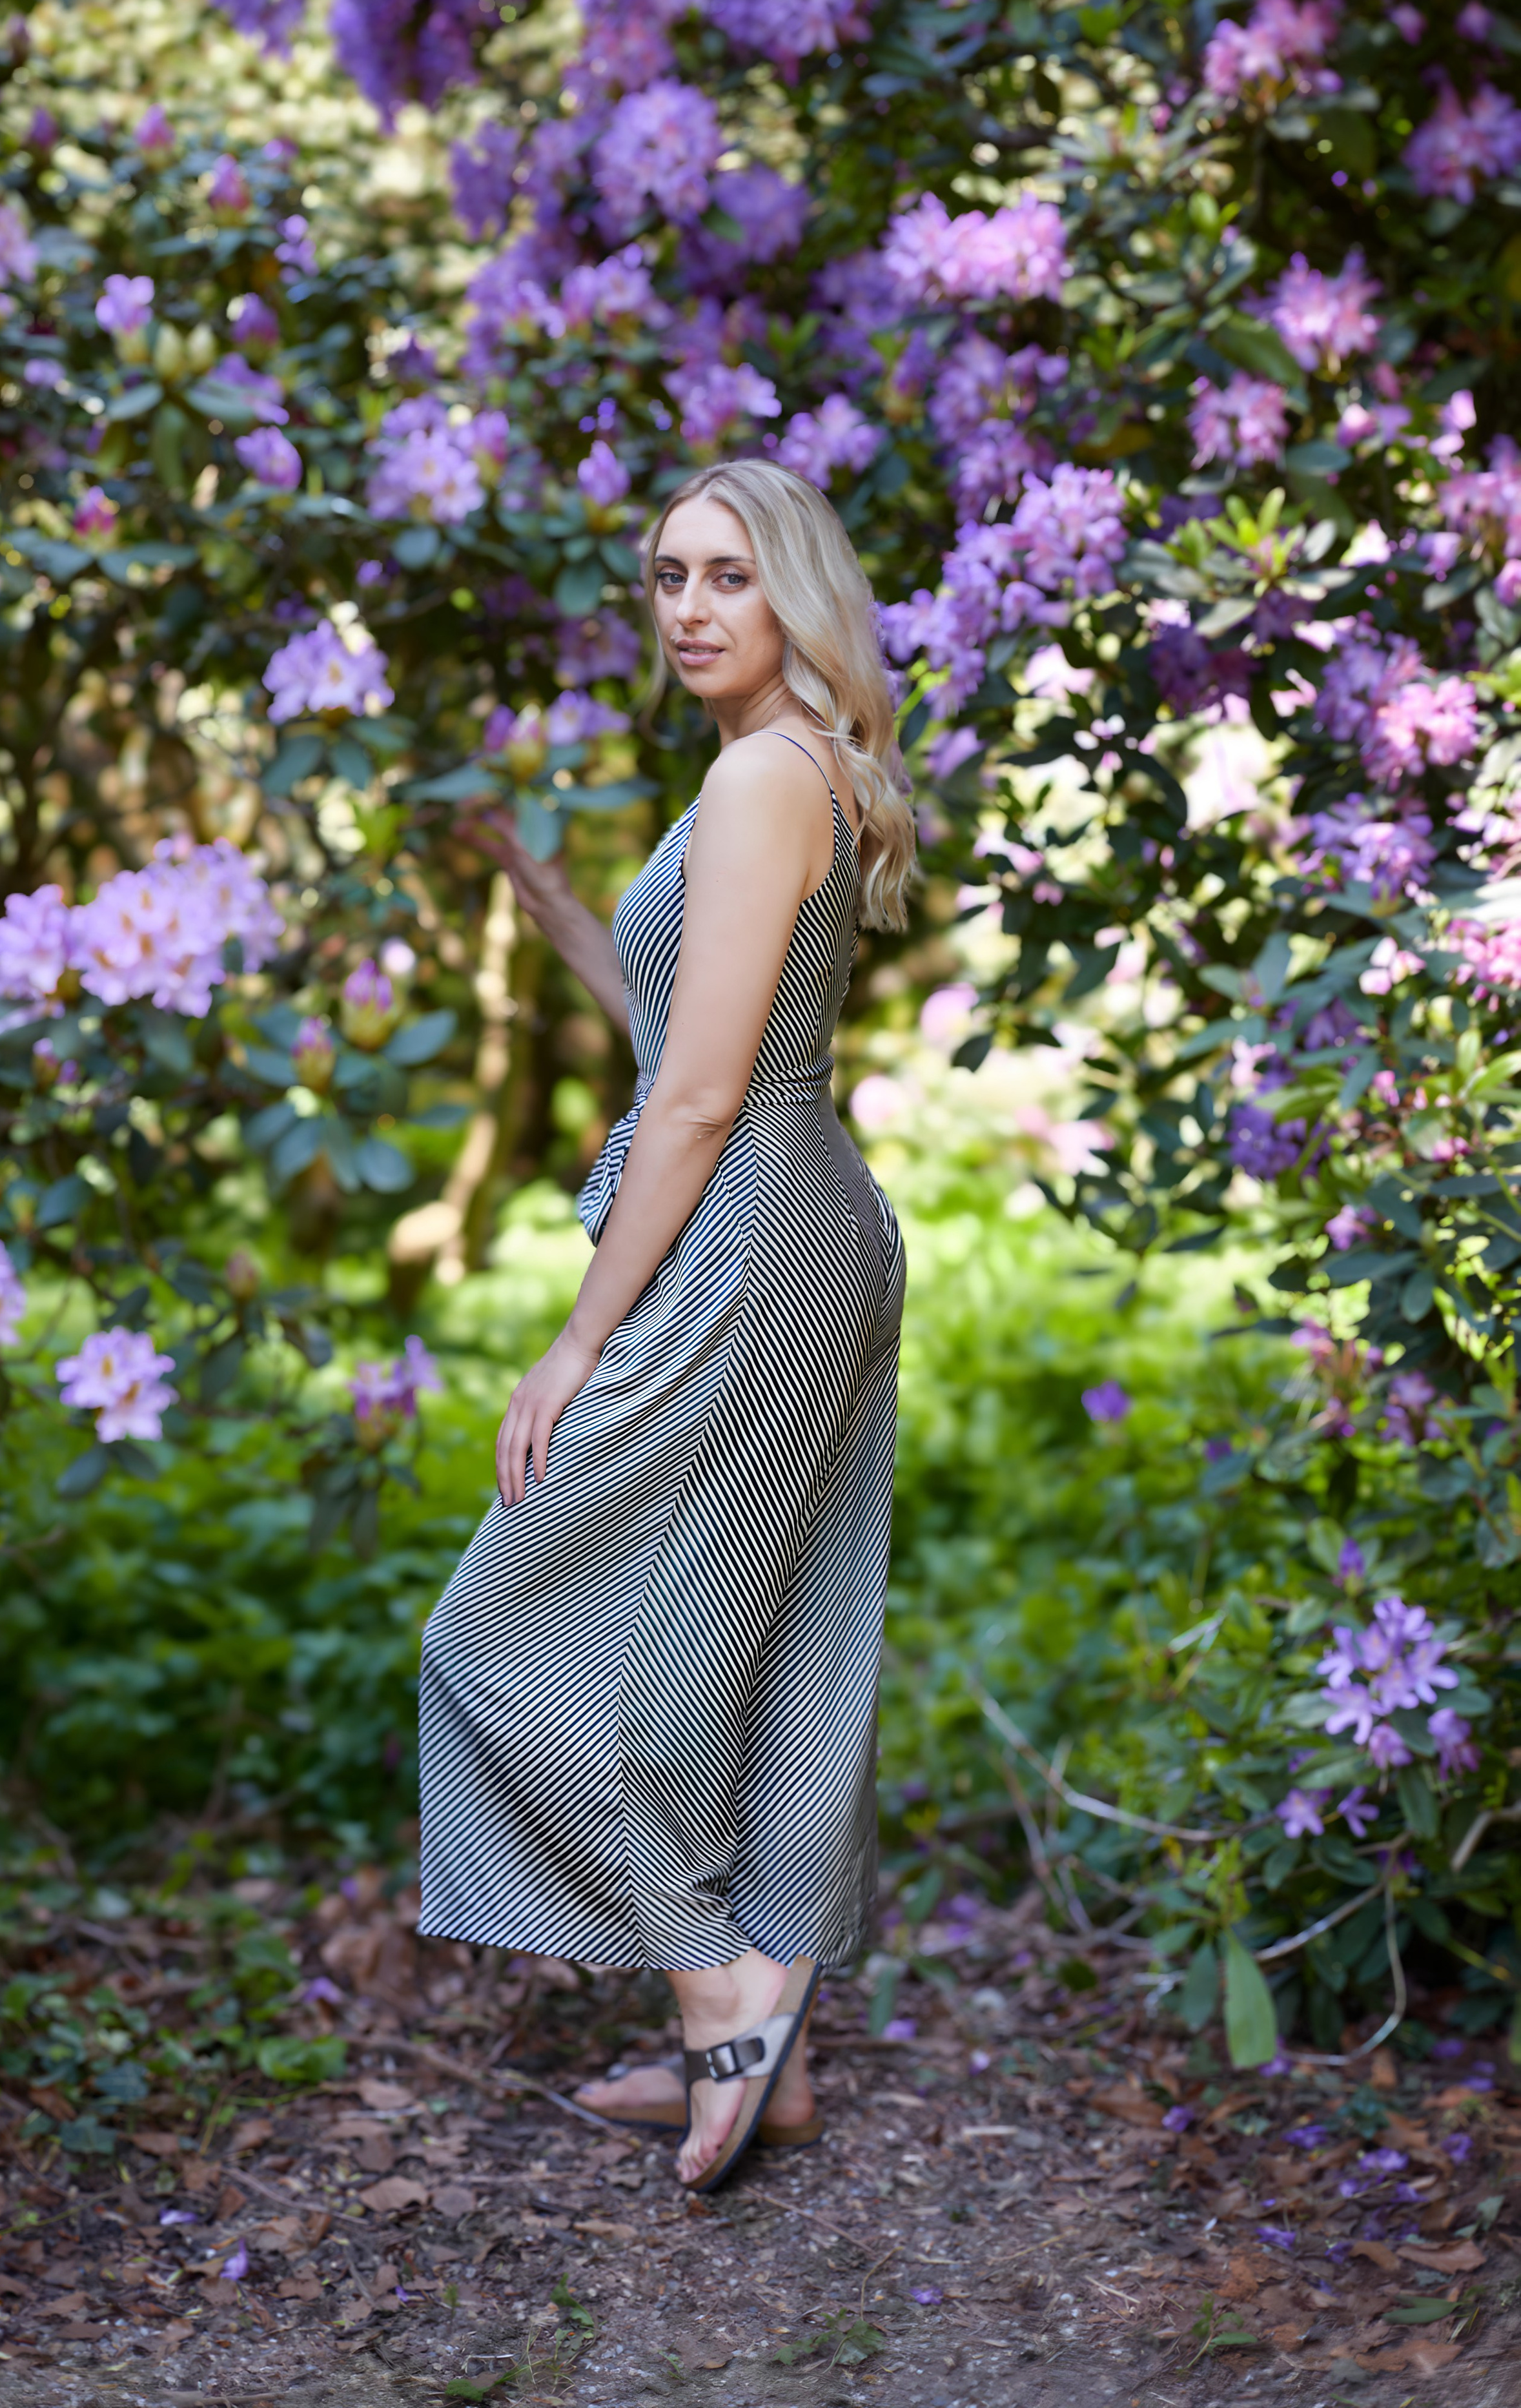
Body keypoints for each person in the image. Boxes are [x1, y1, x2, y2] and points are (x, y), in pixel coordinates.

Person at [417, 458, 913, 2193]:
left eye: (729, 575)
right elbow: (676, 1024)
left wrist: (568, 1341)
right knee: (743, 1641)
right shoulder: (776, 771)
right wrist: (541, 888)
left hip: (751, 1224)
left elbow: (696, 1097)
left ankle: (726, 1991)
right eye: (667, 574)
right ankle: (761, 2054)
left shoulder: (770, 776)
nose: (692, 605)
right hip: (797, 1205)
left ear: (794, 596)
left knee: (494, 1631)